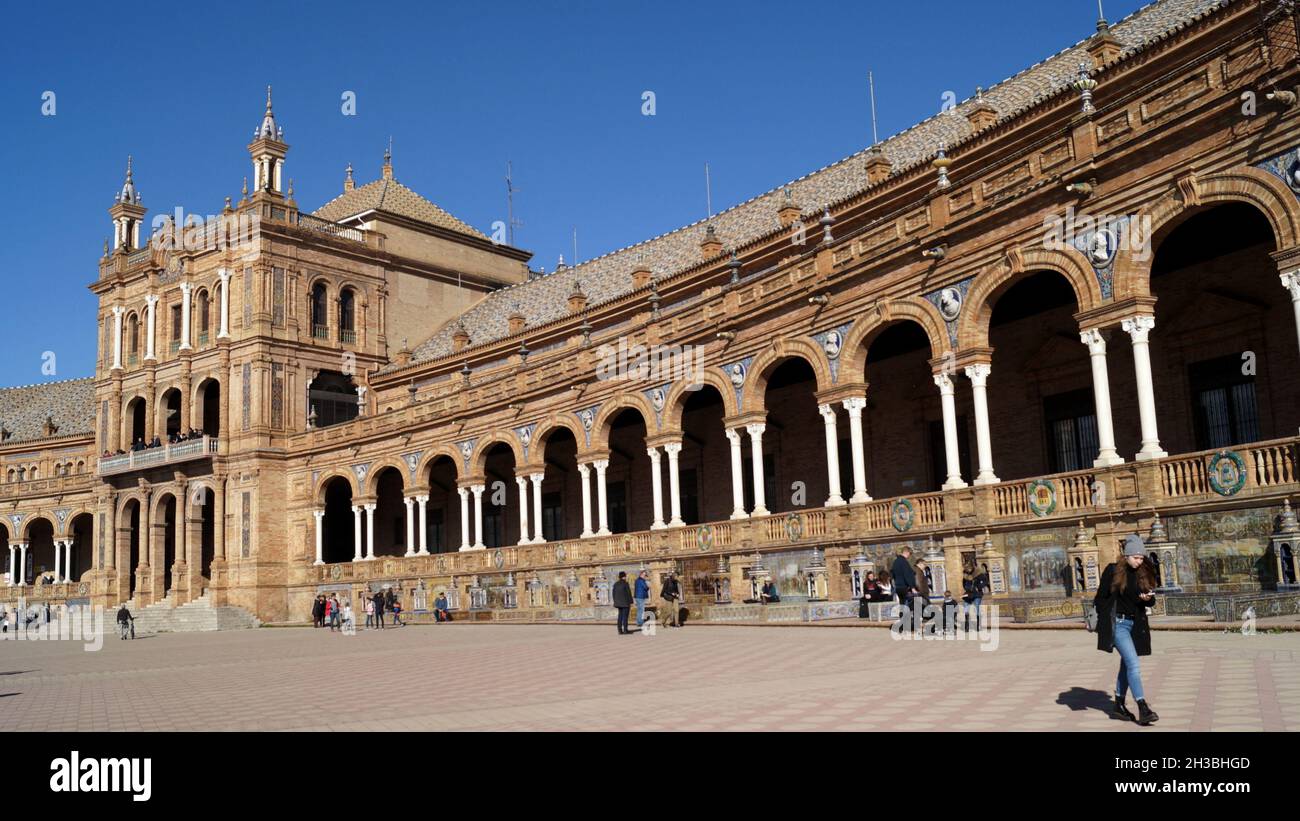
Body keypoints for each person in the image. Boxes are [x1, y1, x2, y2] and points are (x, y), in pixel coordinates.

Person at [1095, 535, 1160, 726]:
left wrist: (1147, 598)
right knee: (1133, 663)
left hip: (1135, 625)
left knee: (1127, 665)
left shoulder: (1144, 572)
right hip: (1118, 625)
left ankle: (1118, 704)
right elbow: (1100, 598)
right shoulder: (1113, 571)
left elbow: (1152, 599)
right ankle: (1143, 707)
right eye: (1136, 557)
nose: (1140, 561)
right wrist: (1104, 621)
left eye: (1142, 558)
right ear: (1127, 555)